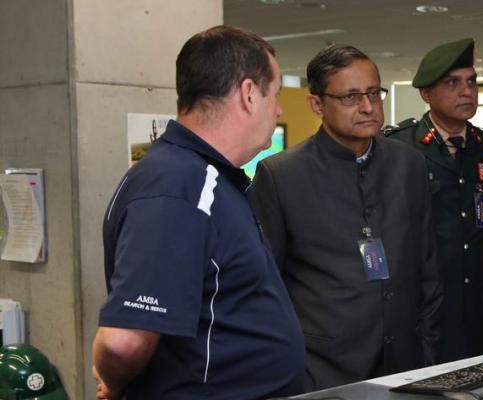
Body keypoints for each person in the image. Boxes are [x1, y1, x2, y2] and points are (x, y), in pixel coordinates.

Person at [92, 25, 304, 400]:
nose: (280, 109)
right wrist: (115, 383)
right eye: (276, 95)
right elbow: (121, 343)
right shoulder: (179, 184)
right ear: (249, 94)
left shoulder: (207, 178)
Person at [250, 44, 442, 391]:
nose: (368, 107)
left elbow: (427, 268)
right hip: (322, 373)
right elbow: (264, 288)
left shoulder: (409, 164)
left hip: (405, 368)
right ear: (317, 105)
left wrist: (426, 354)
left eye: (373, 93)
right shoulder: (281, 175)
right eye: (351, 97)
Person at [384, 38, 483, 362]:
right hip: (424, 308)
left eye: (471, 82)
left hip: (477, 309)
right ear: (426, 94)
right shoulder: (399, 147)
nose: (466, 91)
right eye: (452, 83)